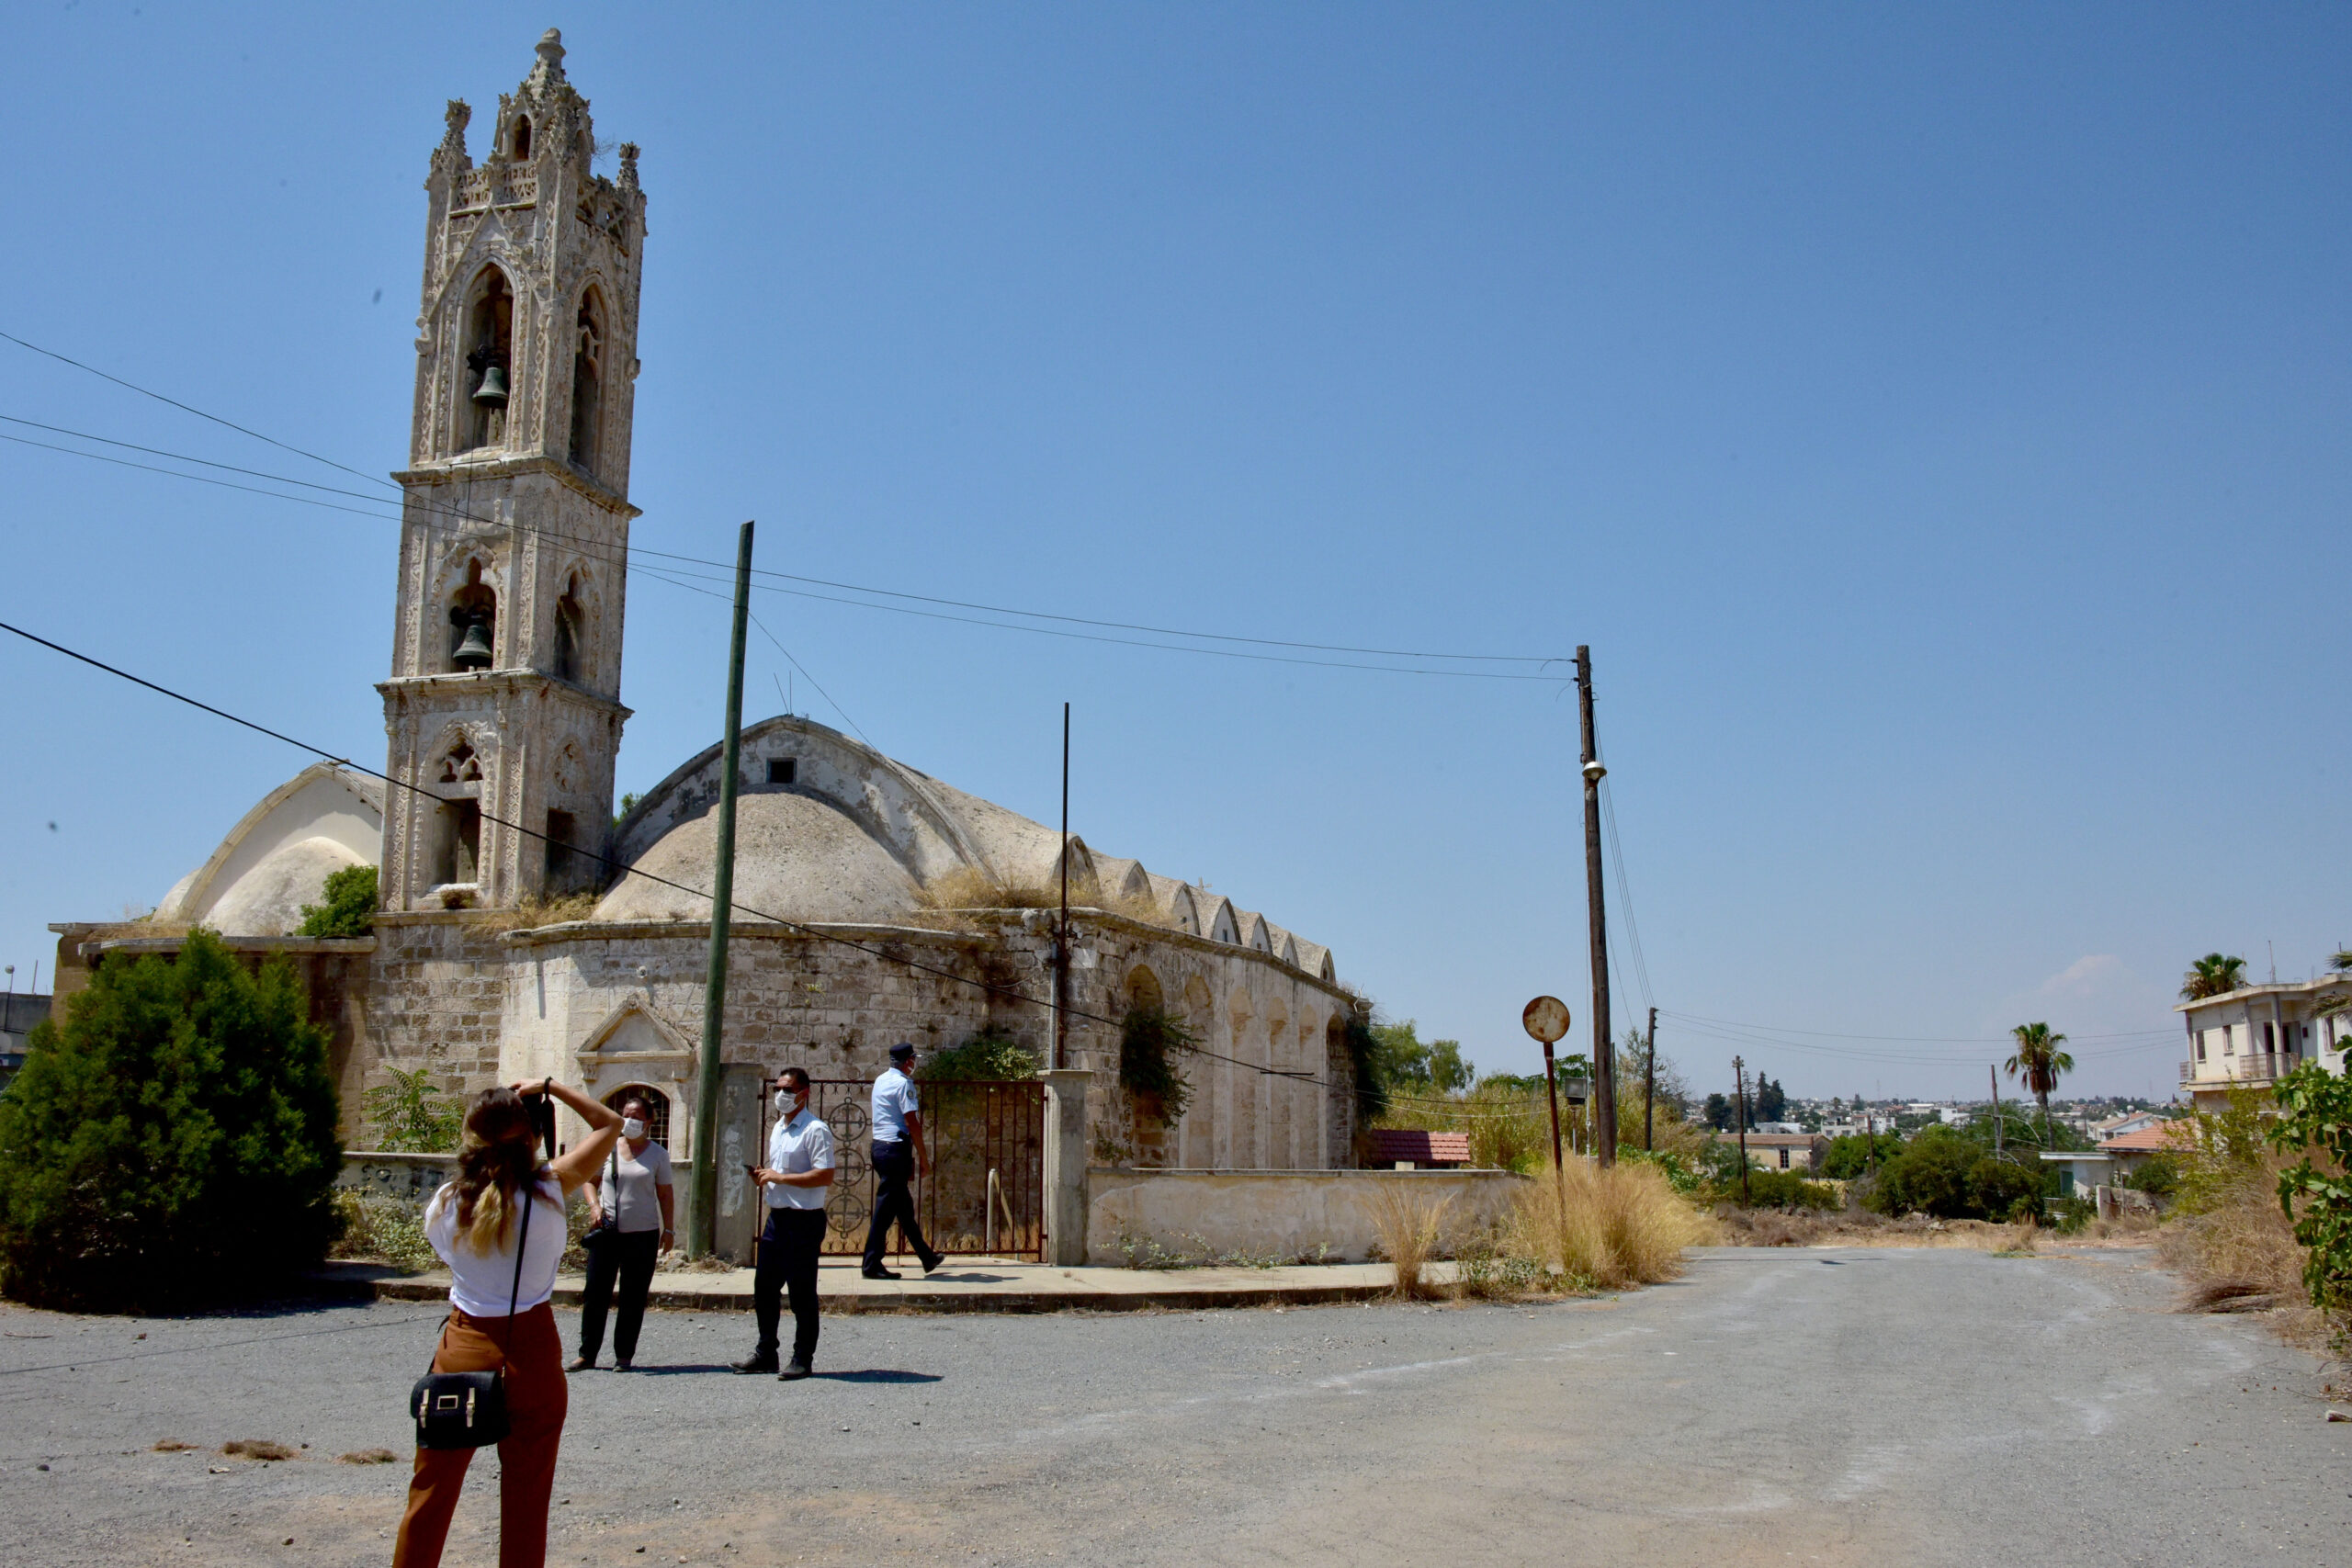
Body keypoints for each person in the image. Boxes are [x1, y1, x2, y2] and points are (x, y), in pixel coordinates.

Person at [395, 1077, 621, 1568]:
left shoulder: (446, 1203)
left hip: (465, 1345)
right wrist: (551, 1087)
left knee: (431, 1491)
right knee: (527, 1497)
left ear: (471, 1138)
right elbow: (611, 1123)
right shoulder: (550, 1189)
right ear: (532, 1137)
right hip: (532, 1349)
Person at [734, 1066, 834, 1379]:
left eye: (788, 1090)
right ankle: (766, 1352)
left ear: (804, 1094)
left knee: (802, 1292)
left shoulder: (815, 1129)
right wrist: (765, 1175)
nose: (781, 1095)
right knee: (764, 1287)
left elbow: (825, 1174)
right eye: (778, 1088)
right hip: (777, 1218)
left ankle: (803, 1358)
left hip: (804, 1221)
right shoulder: (778, 1127)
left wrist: (781, 1177)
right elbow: (780, 1173)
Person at [568, 1093, 674, 1371]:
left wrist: (670, 1229)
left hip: (643, 1234)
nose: (630, 1120)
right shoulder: (608, 1148)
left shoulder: (658, 1155)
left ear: (650, 1120)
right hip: (607, 1232)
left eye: (637, 1116)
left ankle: (624, 1355)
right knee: (595, 1293)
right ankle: (587, 1354)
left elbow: (665, 1194)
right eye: (626, 1114)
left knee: (633, 1295)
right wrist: (594, 1207)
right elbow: (588, 1181)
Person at [861, 1041, 944, 1280]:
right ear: (908, 1061)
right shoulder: (903, 1084)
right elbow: (912, 1123)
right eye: (913, 1060)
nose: (913, 1064)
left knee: (903, 1209)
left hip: (880, 1148)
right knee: (884, 1212)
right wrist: (924, 1158)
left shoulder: (880, 1080)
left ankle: (927, 1257)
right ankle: (871, 1265)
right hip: (895, 1151)